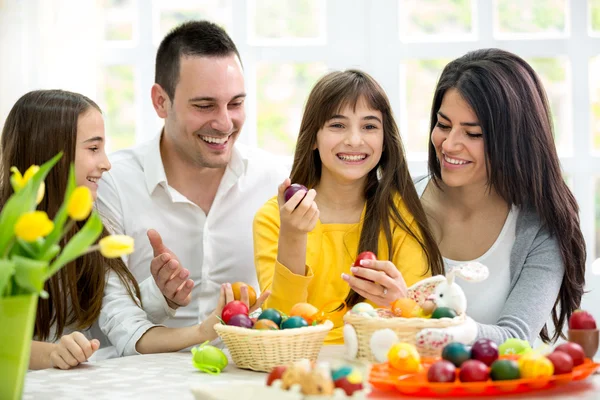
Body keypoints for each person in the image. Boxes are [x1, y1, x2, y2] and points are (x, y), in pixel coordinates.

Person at [96, 20, 286, 353]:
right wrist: (159, 296)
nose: (225, 123)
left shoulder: (273, 180)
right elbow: (115, 322)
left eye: (236, 103)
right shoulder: (114, 183)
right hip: (146, 382)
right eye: (204, 105)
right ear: (160, 102)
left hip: (244, 374)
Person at [253, 69, 444, 343]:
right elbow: (282, 326)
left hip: (378, 363)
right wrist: (293, 236)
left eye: (369, 126)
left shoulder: (402, 214)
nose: (355, 140)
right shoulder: (274, 217)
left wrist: (400, 302)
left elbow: (422, 327)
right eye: (337, 125)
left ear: (384, 140)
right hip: (303, 365)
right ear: (313, 138)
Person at [414, 48, 586, 349]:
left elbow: (514, 339)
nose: (450, 144)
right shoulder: (400, 202)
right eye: (443, 125)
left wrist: (432, 322)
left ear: (513, 139)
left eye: (474, 134)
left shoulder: (542, 228)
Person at [0, 89, 145, 369]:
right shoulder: (10, 232)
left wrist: (160, 297)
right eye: (93, 148)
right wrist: (51, 353)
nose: (106, 163)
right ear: (51, 153)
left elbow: (111, 311)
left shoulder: (84, 230)